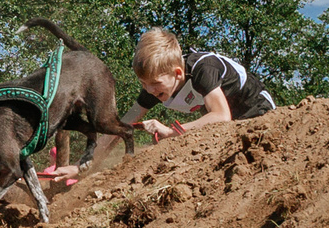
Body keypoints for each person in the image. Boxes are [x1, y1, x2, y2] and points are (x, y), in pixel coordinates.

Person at [89, 28, 275, 167]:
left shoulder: (203, 69)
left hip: (257, 111)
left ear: (177, 73)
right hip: (230, 124)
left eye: (154, 83)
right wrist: (84, 162)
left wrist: (171, 132)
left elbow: (221, 115)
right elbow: (122, 125)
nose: (149, 90)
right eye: (143, 83)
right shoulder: (158, 84)